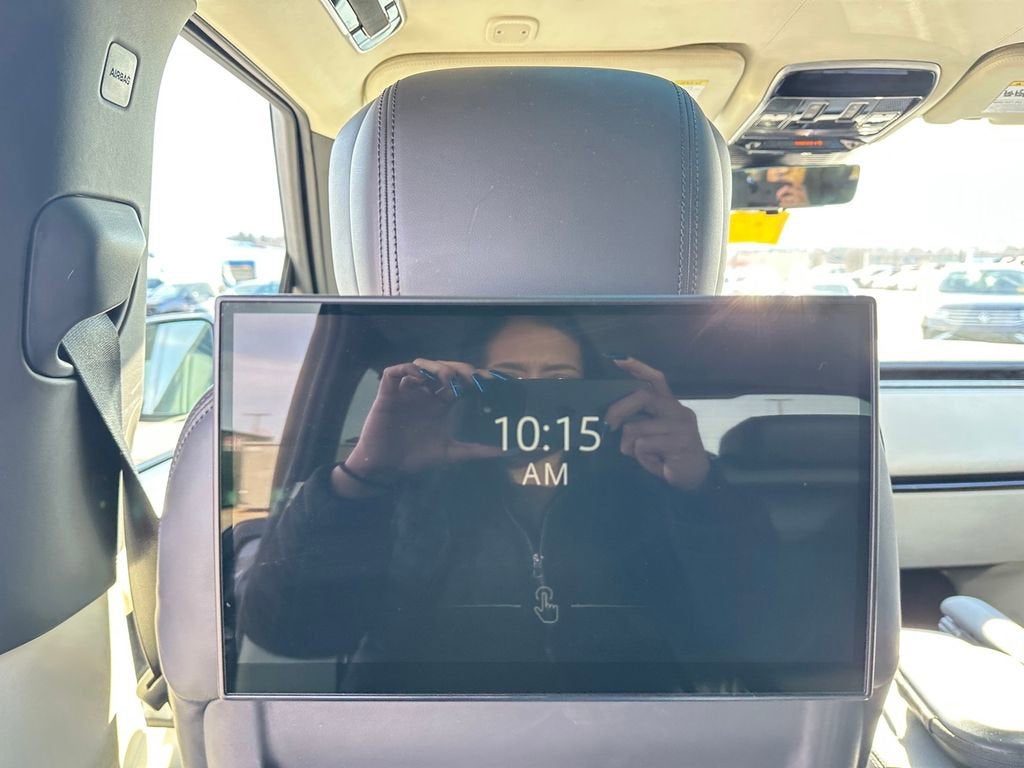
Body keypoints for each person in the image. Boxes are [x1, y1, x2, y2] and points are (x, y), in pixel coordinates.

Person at [238, 316, 776, 693]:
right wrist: (364, 476)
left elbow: (755, 632)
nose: (533, 396)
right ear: (470, 392)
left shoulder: (647, 490)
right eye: (508, 380)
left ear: (595, 398)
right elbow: (289, 632)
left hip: (625, 744)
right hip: (421, 744)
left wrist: (699, 491)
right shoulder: (402, 493)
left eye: (560, 381)